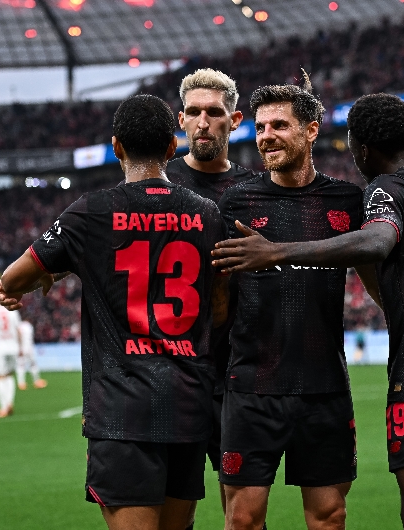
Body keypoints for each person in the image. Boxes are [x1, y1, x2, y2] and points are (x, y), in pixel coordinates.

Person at [211, 92, 404, 530]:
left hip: (334, 384)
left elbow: (377, 258)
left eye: (279, 125)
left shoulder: (350, 199)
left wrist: (276, 252)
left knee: (345, 516)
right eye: (261, 127)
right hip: (254, 383)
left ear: (312, 132)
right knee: (243, 519)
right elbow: (218, 292)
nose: (266, 135)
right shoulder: (236, 202)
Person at [0, 94, 230, 530]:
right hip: (188, 403)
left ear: (116, 146)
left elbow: (12, 278)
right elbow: (220, 307)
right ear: (172, 146)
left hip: (122, 409)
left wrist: (32, 280)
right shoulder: (208, 213)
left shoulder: (90, 212)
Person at [169, 68, 256, 527]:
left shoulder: (254, 191)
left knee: (242, 517)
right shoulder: (157, 186)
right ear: (180, 119)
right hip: (171, 373)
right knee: (174, 515)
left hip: (236, 375)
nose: (203, 122)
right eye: (194, 112)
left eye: (214, 113)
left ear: (234, 120)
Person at [16, 315, 47, 390]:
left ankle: (21, 383)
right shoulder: (29, 326)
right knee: (33, 365)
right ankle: (36, 381)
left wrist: (19, 348)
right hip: (29, 348)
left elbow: (17, 337)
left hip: (21, 348)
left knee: (21, 365)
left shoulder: (19, 326)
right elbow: (30, 338)